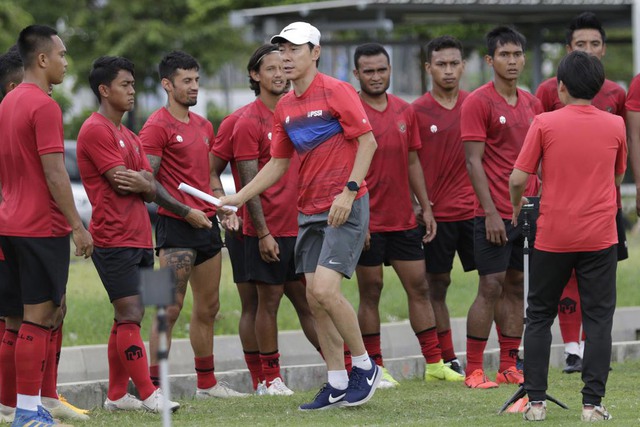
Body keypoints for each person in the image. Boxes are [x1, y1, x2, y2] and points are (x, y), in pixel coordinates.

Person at [221, 22, 382, 410]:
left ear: (315, 52)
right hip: (307, 211)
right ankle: (337, 380)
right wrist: (236, 198)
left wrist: (350, 190)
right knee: (314, 298)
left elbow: (368, 142)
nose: (287, 57)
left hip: (344, 204)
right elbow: (277, 164)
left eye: (295, 49)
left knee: (326, 290)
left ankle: (365, 366)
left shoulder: (337, 91)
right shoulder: (286, 107)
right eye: (283, 50)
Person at [511, 51, 625, 422]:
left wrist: (516, 207)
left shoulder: (544, 122)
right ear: (598, 87)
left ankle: (537, 403)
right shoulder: (615, 125)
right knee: (598, 320)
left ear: (560, 87)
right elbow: (617, 176)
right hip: (600, 235)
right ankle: (592, 405)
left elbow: (517, 178)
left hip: (553, 235)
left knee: (539, 315)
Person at [351, 42, 463, 388]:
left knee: (420, 287)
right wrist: (358, 216)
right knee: (371, 291)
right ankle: (375, 367)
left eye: (381, 70)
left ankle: (434, 362)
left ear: (390, 70)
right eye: (368, 71)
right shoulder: (349, 110)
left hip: (403, 219)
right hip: (368, 219)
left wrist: (425, 206)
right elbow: (343, 165)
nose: (375, 76)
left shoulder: (404, 110)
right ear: (356, 74)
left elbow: (413, 160)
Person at [0, 25, 93, 427]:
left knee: (15, 320)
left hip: (9, 224)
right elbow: (56, 174)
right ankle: (25, 411)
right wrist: (78, 226)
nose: (65, 62)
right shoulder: (44, 105)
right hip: (41, 227)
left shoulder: (7, 102)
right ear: (42, 59)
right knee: (41, 317)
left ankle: (16, 405)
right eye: (62, 54)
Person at [139, 50, 246, 399]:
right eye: (187, 81)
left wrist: (222, 205)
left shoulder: (203, 126)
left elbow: (207, 177)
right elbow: (147, 185)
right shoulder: (155, 125)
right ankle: (153, 388)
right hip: (173, 227)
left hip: (207, 226)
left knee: (209, 308)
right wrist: (186, 212)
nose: (194, 86)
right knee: (165, 309)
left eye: (197, 80)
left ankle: (207, 384)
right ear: (167, 84)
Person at [77, 56, 180, 413]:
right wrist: (142, 183)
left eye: (133, 84)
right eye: (125, 85)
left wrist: (144, 183)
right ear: (105, 90)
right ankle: (149, 392)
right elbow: (122, 182)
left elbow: (150, 186)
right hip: (113, 237)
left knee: (127, 317)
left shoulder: (130, 135)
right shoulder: (95, 129)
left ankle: (118, 395)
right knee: (131, 312)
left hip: (139, 237)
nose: (133, 91)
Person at [535, 11, 627, 374]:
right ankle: (571, 348)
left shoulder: (616, 95)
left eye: (594, 44)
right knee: (566, 277)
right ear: (568, 49)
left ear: (603, 49)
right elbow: (536, 148)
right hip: (560, 208)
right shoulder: (549, 91)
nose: (588, 49)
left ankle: (590, 347)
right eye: (580, 44)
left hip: (604, 209)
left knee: (598, 282)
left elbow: (621, 160)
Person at [231, 44, 320, 395]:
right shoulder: (246, 122)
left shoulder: (296, 113)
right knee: (266, 302)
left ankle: (344, 368)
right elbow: (249, 183)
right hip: (265, 231)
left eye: (284, 67)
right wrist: (264, 232)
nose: (280, 74)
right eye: (271, 68)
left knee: (310, 301)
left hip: (301, 226)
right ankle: (270, 378)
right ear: (256, 75)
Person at [460, 26, 542, 389]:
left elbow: (539, 161)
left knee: (517, 284)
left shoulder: (532, 103)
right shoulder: (478, 101)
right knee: (490, 286)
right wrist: (490, 211)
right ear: (491, 60)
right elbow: (472, 162)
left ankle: (509, 365)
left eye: (517, 54)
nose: (512, 61)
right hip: (492, 213)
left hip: (528, 212)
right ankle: (474, 369)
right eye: (504, 55)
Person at [412, 35, 475, 376]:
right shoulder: (416, 111)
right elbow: (407, 163)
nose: (448, 71)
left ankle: (508, 356)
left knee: (501, 283)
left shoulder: (476, 104)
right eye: (441, 64)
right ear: (429, 68)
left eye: (454, 63)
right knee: (437, 286)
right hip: (437, 216)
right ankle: (446, 358)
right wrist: (419, 205)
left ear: (463, 66)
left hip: (478, 214)